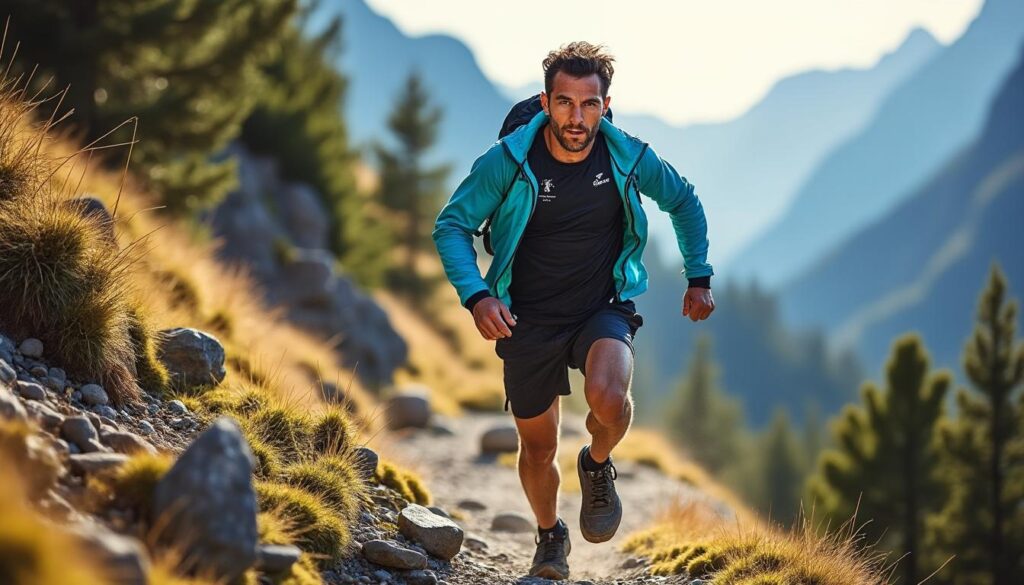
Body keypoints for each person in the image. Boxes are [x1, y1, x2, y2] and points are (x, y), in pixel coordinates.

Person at [432, 41, 715, 580]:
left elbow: (683, 200)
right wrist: (478, 295)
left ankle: (597, 463)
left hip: (600, 307)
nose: (577, 118)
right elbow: (451, 225)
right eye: (565, 103)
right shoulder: (508, 162)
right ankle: (549, 536)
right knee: (537, 449)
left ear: (606, 105)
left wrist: (698, 275)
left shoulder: (628, 156)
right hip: (526, 318)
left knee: (610, 398)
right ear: (546, 102)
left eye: (589, 105)